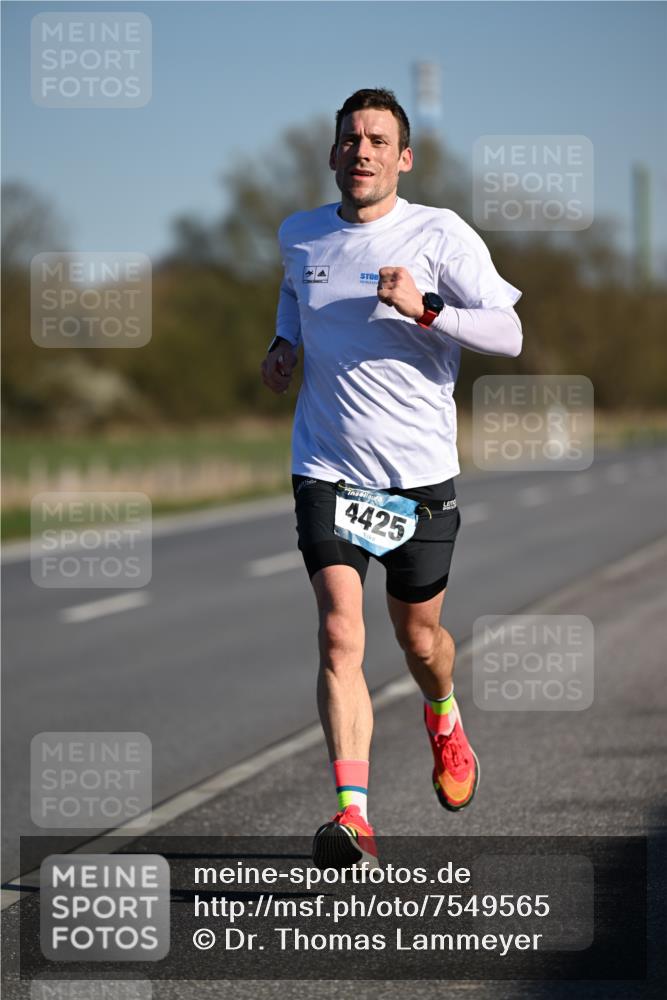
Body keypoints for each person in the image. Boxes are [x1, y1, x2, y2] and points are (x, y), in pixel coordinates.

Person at [261, 88, 522, 869]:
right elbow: (294, 290)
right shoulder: (300, 235)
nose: (362, 152)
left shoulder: (439, 232)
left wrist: (427, 307)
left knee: (419, 641)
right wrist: (282, 345)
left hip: (416, 481)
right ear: (333, 152)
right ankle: (354, 817)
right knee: (340, 631)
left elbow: (507, 332)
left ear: (402, 158)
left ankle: (442, 716)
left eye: (378, 140)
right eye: (350, 140)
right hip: (326, 469)